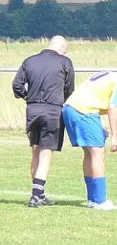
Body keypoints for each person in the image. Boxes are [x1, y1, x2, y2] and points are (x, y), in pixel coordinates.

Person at [62, 65, 117, 210]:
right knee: (98, 154)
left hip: (70, 109)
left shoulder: (114, 76)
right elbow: (113, 107)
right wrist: (115, 136)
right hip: (84, 111)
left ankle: (93, 199)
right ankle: (100, 201)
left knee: (90, 154)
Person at [12, 36, 75, 208]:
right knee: (46, 152)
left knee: (35, 151)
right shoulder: (64, 62)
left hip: (32, 109)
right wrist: (59, 99)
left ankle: (40, 193)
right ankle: (36, 195)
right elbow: (69, 88)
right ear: (61, 47)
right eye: (66, 49)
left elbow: (17, 86)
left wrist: (28, 97)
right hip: (52, 110)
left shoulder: (29, 61)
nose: (66, 52)